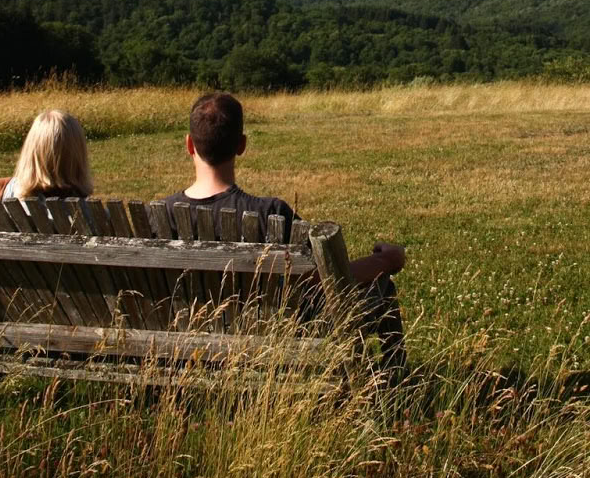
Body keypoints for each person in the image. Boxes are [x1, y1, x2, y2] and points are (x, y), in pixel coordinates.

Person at [159, 91, 407, 370]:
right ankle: (395, 383)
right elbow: (326, 279)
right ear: (241, 145)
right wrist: (384, 262)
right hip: (264, 350)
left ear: (189, 145)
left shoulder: (158, 217)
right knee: (382, 286)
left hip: (182, 354)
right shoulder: (270, 213)